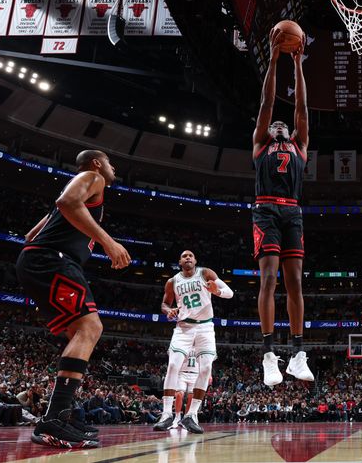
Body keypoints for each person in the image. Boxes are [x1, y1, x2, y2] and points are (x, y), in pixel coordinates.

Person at [16, 149, 131, 448]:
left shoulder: (79, 188)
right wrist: (108, 240)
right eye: (109, 162)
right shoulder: (92, 178)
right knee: (90, 328)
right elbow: (66, 202)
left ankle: (62, 416)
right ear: (96, 163)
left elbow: (31, 234)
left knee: (78, 333)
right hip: (53, 260)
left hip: (39, 260)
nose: (112, 167)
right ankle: (54, 420)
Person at [253, 27, 313, 386]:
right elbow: (267, 104)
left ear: (289, 132)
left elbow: (302, 107)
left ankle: (298, 353)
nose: (277, 124)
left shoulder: (299, 144)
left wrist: (298, 63)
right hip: (265, 209)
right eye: (274, 124)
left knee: (295, 282)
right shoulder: (261, 142)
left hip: (292, 210)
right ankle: (268, 355)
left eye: (282, 124)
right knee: (269, 278)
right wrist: (274, 61)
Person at [153, 250, 232, 433]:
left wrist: (216, 291)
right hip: (183, 327)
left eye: (191, 255)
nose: (188, 257)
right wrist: (168, 311)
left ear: (195, 260)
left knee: (205, 369)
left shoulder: (206, 273)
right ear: (180, 261)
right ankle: (166, 414)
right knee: (173, 365)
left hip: (205, 327)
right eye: (184, 256)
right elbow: (164, 304)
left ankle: (192, 415)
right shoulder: (172, 281)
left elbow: (230, 293)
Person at [170, 349, 200, 430]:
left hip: (195, 374)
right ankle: (177, 417)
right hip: (182, 373)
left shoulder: (200, 345)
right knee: (179, 394)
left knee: (191, 397)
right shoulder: (184, 344)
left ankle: (186, 418)